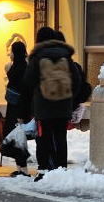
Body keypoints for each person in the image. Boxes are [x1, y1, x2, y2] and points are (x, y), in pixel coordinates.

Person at [24, 27, 89, 177]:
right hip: (63, 106)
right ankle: (61, 169)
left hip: (44, 105)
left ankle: (44, 170)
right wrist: (70, 99)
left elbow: (28, 80)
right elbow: (77, 79)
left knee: (44, 137)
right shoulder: (66, 56)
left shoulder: (38, 57)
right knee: (61, 137)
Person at [3, 41, 32, 177]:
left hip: (18, 108)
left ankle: (24, 169)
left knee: (18, 138)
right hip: (13, 106)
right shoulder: (18, 66)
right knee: (14, 138)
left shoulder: (22, 68)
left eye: (12, 52)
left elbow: (24, 92)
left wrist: (21, 113)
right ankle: (20, 168)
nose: (10, 54)